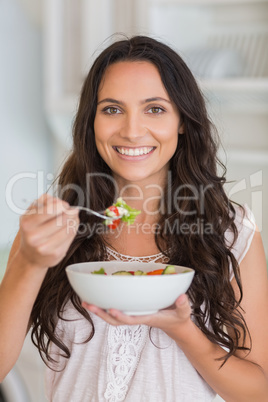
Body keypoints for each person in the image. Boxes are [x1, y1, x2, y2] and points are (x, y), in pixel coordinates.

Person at [0, 35, 268, 402]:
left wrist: (184, 331)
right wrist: (28, 263)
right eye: (112, 109)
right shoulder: (54, 229)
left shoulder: (232, 233)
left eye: (154, 109)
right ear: (91, 122)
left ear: (182, 121)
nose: (131, 130)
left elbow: (258, 391)